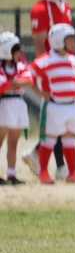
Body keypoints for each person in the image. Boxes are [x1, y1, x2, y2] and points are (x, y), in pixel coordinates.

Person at [23, 0, 73, 179]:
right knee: (55, 117)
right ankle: (51, 162)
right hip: (52, 70)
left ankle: (53, 162)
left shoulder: (65, 6)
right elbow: (39, 44)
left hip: (65, 67)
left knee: (62, 118)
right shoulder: (40, 9)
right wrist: (43, 74)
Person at [30, 23, 75, 184]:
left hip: (73, 105)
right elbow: (29, 75)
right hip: (55, 106)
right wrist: (40, 93)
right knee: (49, 139)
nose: (73, 42)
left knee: (70, 138)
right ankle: (43, 172)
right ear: (58, 40)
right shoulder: (44, 61)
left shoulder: (74, 60)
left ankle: (72, 172)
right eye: (69, 39)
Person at [0, 32, 32, 185]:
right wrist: (16, 83)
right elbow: (2, 86)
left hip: (18, 104)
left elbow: (29, 79)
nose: (19, 52)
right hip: (4, 104)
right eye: (16, 49)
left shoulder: (19, 65)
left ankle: (11, 174)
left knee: (13, 142)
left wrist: (12, 83)